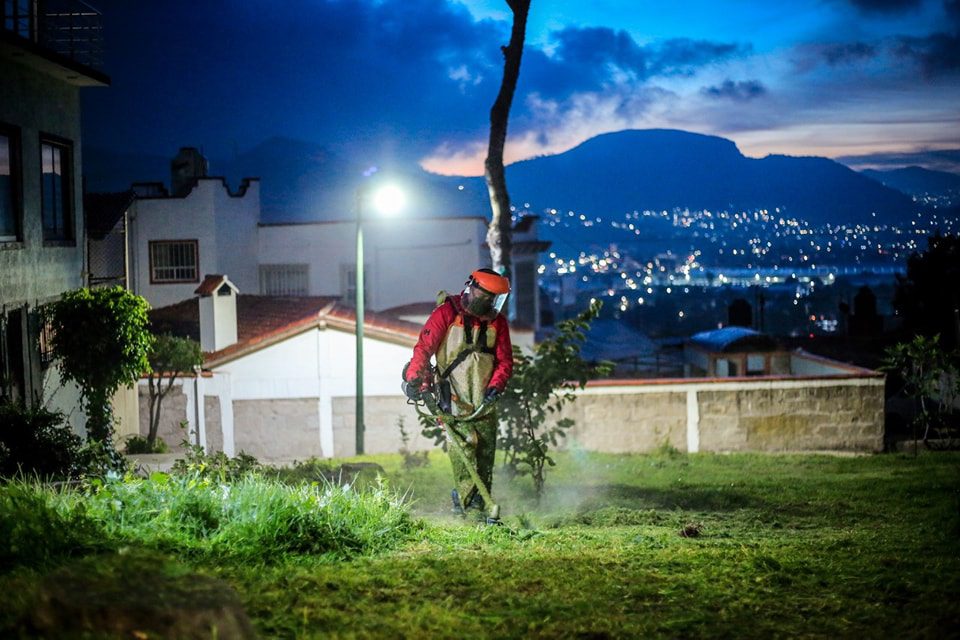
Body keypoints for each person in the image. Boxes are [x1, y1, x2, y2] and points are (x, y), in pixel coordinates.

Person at [404, 268, 513, 516]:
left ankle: (480, 501)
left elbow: (505, 362)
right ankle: (469, 504)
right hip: (452, 393)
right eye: (486, 297)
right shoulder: (446, 313)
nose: (489, 304)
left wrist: (496, 386)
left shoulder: (498, 323)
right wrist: (415, 380)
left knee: (485, 451)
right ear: (473, 288)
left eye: (494, 299)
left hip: (484, 397)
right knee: (463, 448)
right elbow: (424, 348)